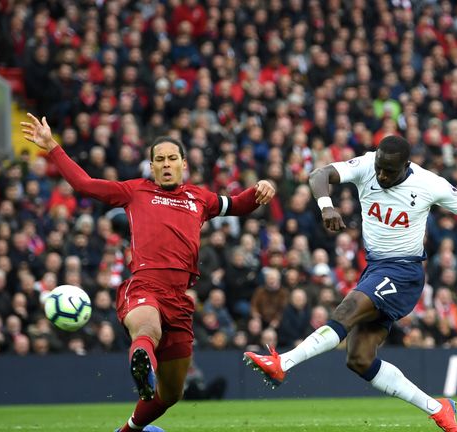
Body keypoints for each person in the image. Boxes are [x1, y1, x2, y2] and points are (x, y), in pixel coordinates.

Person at [243, 136, 457, 432]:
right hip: (375, 269)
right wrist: (326, 206)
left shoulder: (430, 184)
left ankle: (283, 362)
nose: (383, 175)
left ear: (406, 165)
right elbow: (318, 174)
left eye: (390, 171)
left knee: (347, 310)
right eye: (380, 168)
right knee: (359, 359)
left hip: (404, 272)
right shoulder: (365, 166)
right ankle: (438, 409)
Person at [22, 114, 275, 432]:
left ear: (184, 163)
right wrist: (52, 148)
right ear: (151, 166)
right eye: (159, 160)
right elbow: (85, 185)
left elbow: (238, 204)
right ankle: (142, 363)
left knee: (171, 394)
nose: (166, 164)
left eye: (172, 158)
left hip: (180, 299)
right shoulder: (134, 191)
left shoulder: (201, 199)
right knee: (147, 332)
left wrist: (261, 189)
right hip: (144, 285)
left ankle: (127, 429)